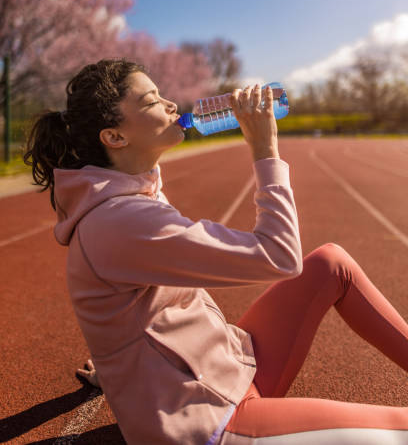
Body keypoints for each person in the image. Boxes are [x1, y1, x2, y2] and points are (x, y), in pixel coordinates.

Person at [23, 58, 408, 445]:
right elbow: (280, 256)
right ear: (116, 137)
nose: (171, 104)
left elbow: (116, 304)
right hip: (210, 419)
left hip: (229, 366)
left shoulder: (130, 191)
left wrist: (114, 360)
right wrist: (265, 149)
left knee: (331, 264)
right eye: (152, 100)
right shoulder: (120, 221)